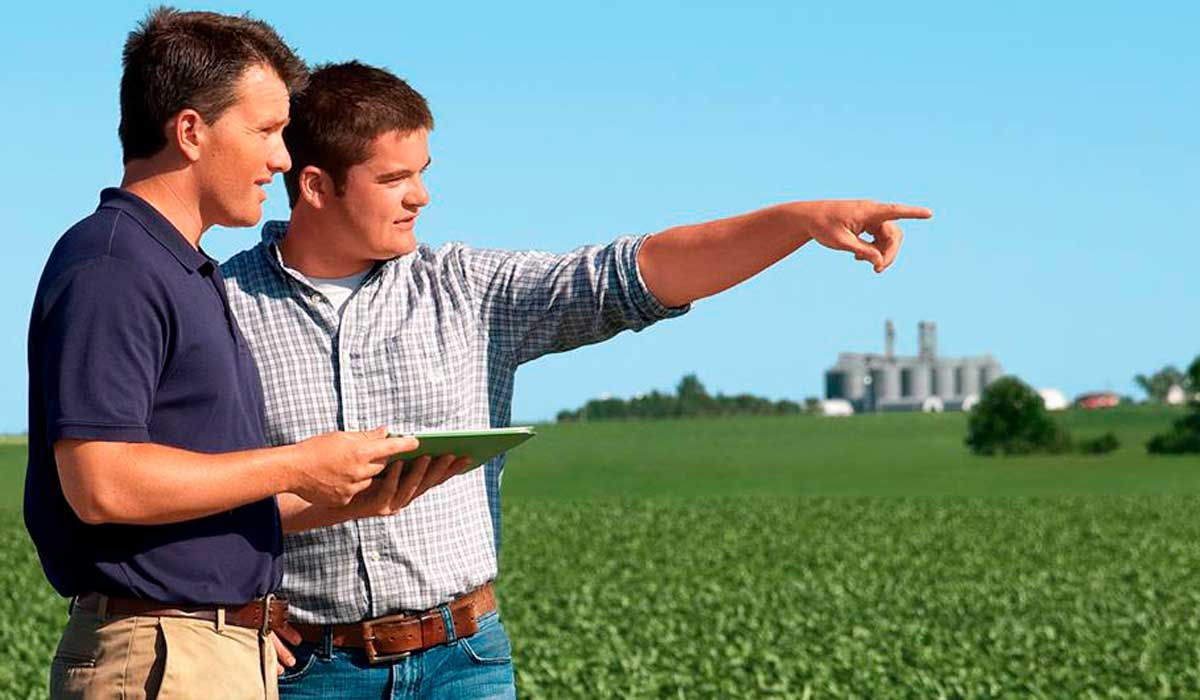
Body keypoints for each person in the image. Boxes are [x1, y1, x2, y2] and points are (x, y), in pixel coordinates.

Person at [221, 60, 932, 699]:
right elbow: (172, 489)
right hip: (307, 674)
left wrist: (795, 223)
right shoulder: (218, 309)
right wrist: (223, 612)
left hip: (463, 661)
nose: (422, 197)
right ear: (314, 186)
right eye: (394, 178)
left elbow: (630, 275)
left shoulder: (468, 289)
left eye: (424, 171)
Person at [24, 12, 452, 699]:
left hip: (207, 654)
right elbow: (101, 483)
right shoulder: (114, 266)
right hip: (162, 660)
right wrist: (301, 462)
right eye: (264, 131)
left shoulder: (184, 270)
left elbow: (193, 498)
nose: (282, 159)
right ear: (190, 131)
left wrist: (347, 494)